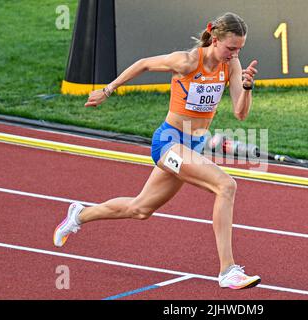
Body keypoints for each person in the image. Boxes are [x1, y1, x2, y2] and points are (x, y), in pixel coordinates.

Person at [53, 12, 260, 290]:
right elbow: (143, 64)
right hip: (168, 143)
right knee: (226, 186)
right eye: (231, 48)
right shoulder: (187, 61)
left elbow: (240, 114)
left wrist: (247, 88)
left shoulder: (231, 66)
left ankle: (79, 214)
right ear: (215, 39)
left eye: (240, 49)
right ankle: (227, 270)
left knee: (141, 209)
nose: (235, 54)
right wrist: (108, 90)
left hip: (193, 145)